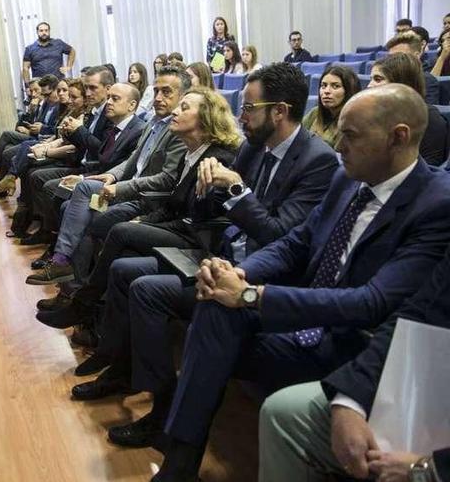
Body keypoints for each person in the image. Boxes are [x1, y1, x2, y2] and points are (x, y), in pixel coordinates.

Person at [149, 84, 450, 482]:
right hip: (307, 321)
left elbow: (370, 303)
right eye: (339, 131)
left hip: (359, 347)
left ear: (399, 136)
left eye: (351, 135)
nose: (338, 144)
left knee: (217, 321)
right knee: (215, 307)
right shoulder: (348, 180)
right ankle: (180, 466)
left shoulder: (436, 204)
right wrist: (241, 274)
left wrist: (252, 295)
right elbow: (296, 243)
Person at [54, 63, 339, 385]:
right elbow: (207, 209)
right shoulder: (253, 147)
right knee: (122, 268)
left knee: (134, 265)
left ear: (279, 112)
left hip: (254, 272)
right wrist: (209, 186)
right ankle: (117, 363)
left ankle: (156, 397)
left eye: (248, 107)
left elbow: (277, 235)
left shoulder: (319, 160)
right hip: (219, 250)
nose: (241, 116)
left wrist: (233, 188)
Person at [259, 246, 450, 482]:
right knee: (286, 412)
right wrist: (350, 400)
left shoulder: (430, 212)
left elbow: (371, 302)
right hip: (427, 391)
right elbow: (416, 313)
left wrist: (429, 470)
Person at [28, 87, 240, 292]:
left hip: (154, 204)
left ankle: (80, 291)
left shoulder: (213, 159)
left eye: (179, 103)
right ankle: (70, 282)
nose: (161, 100)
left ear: (206, 118)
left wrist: (139, 212)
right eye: (156, 91)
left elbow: (181, 199)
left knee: (98, 217)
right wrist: (113, 178)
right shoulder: (175, 140)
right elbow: (133, 160)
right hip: (151, 203)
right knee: (72, 203)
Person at [22, 66, 116, 246]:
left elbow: (102, 152)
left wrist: (78, 131)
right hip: (82, 163)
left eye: (93, 88)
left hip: (95, 170)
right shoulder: (95, 112)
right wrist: (68, 133)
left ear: (108, 88)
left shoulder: (108, 114)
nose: (88, 92)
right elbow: (84, 145)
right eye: (86, 87)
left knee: (49, 185)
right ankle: (45, 229)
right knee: (34, 173)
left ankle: (54, 237)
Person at [0, 74, 61, 185]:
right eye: (31, 91)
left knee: (7, 146)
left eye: (38, 91)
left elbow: (54, 130)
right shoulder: (44, 103)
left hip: (42, 140)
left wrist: (38, 129)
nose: (35, 94)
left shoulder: (58, 106)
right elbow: (21, 125)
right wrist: (30, 111)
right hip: (34, 136)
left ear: (55, 90)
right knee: (6, 144)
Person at [369, 52, 449, 165]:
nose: (369, 85)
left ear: (401, 83)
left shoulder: (429, 118)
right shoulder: (375, 114)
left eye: (378, 79)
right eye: (371, 79)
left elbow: (430, 168)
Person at [302, 66, 361, 148]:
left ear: (349, 90)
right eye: (323, 86)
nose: (326, 91)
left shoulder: (354, 121)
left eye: (335, 86)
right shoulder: (315, 113)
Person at [385, 30, 441, 105]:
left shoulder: (427, 81)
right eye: (390, 57)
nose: (392, 61)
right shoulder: (386, 78)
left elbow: (426, 113)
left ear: (416, 56)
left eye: (400, 56)